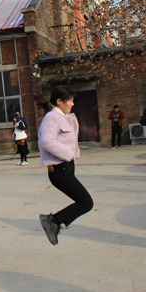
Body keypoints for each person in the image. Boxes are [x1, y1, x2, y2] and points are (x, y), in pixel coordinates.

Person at [37, 87, 94, 246]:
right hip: (59, 170)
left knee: (84, 202)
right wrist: (68, 154)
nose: (72, 104)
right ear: (59, 101)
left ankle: (54, 221)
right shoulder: (52, 117)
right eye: (69, 100)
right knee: (86, 202)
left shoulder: (62, 117)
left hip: (65, 168)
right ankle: (52, 221)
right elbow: (46, 141)